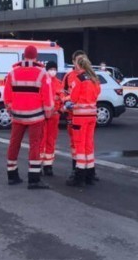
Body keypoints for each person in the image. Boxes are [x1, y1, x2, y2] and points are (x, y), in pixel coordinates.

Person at [3, 45, 54, 189]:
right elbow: (48, 97)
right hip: (36, 116)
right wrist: (48, 113)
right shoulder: (42, 73)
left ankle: (12, 175)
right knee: (35, 146)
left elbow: (6, 96)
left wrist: (10, 109)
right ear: (36, 56)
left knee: (14, 143)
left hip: (18, 115)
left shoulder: (13, 72)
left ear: (24, 56)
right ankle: (34, 179)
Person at [65, 56, 102, 187]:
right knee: (89, 145)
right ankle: (90, 174)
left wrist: (67, 103)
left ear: (79, 65)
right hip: (92, 116)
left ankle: (79, 176)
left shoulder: (79, 79)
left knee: (79, 145)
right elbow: (97, 94)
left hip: (80, 117)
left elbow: (73, 97)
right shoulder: (94, 79)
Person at [63, 50, 87, 172]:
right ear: (73, 62)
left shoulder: (89, 76)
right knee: (75, 143)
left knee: (87, 143)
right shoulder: (69, 76)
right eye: (78, 61)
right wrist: (67, 102)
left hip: (86, 117)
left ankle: (87, 170)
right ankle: (76, 168)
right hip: (72, 116)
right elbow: (64, 93)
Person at [42, 61, 65, 176]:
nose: (53, 71)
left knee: (51, 140)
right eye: (50, 69)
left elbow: (62, 98)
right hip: (43, 116)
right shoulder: (43, 82)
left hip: (55, 115)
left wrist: (60, 108)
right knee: (41, 141)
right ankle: (38, 164)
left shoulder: (58, 83)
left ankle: (48, 165)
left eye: (54, 69)